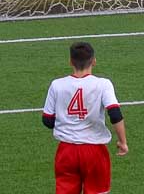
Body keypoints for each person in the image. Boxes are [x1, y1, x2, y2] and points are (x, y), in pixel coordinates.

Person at [42, 41, 128, 194]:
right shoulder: (103, 84)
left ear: (70, 62)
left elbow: (47, 120)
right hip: (94, 151)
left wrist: (68, 123)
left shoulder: (57, 85)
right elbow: (115, 114)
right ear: (94, 61)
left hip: (66, 152)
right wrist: (123, 142)